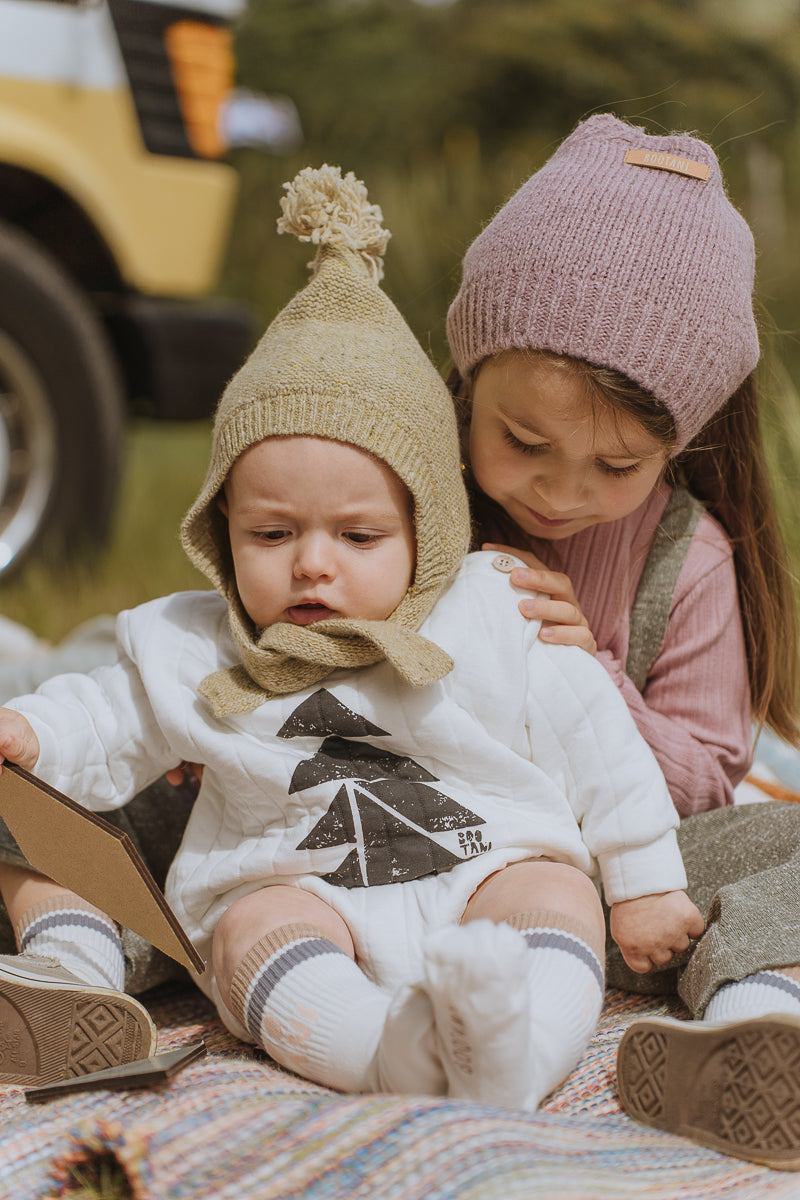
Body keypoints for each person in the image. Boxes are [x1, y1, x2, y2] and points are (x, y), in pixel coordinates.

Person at [0, 164, 702, 1106]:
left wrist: (646, 881)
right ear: (218, 532)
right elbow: (107, 712)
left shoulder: (490, 608)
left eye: (361, 537)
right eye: (272, 534)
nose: (314, 565)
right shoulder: (193, 641)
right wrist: (35, 736)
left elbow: (598, 741)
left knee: (555, 897)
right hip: (293, 879)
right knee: (253, 933)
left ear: (428, 532)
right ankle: (382, 1053)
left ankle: (519, 1045)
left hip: (488, 857)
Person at [444, 112, 800, 1169]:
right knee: (168, 793)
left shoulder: (685, 561)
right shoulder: (411, 500)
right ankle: (75, 938)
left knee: (781, 850)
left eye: (616, 468)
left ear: (676, 445)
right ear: (466, 381)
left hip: (624, 888)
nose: (558, 493)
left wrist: (593, 674)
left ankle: (755, 1020)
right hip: (409, 847)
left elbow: (703, 783)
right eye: (522, 442)